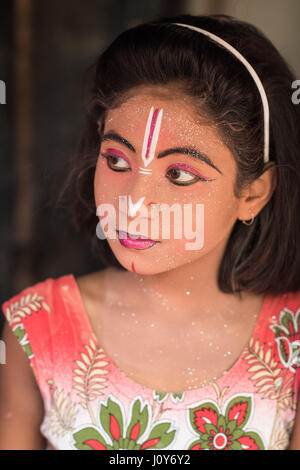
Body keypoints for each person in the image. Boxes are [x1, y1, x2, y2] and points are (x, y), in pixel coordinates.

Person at [0, 13, 300, 451]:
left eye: (179, 174)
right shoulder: (35, 329)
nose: (134, 203)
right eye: (117, 161)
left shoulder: (291, 340)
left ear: (252, 194)